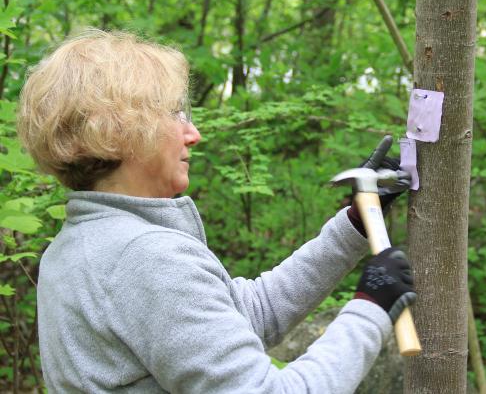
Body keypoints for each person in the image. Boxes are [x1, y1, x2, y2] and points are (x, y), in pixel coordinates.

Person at [17, 29, 416, 393]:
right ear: (117, 131)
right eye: (175, 115)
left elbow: (245, 315)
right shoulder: (142, 258)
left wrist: (351, 227)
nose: (193, 133)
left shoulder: (76, 249)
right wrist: (371, 308)